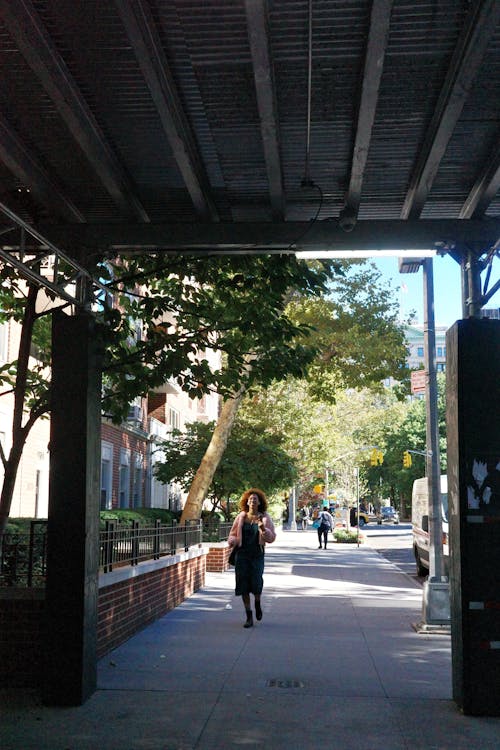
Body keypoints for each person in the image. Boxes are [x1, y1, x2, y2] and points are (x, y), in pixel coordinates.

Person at [228, 488, 276, 628]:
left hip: (257, 555)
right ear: (247, 502)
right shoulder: (241, 517)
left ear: (260, 502)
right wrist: (232, 540)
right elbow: (232, 534)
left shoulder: (265, 517)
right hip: (242, 555)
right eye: (250, 499)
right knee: (243, 584)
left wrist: (262, 528)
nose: (252, 501)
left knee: (256, 582)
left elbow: (271, 538)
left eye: (255, 499)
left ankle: (257, 603)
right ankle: (249, 615)